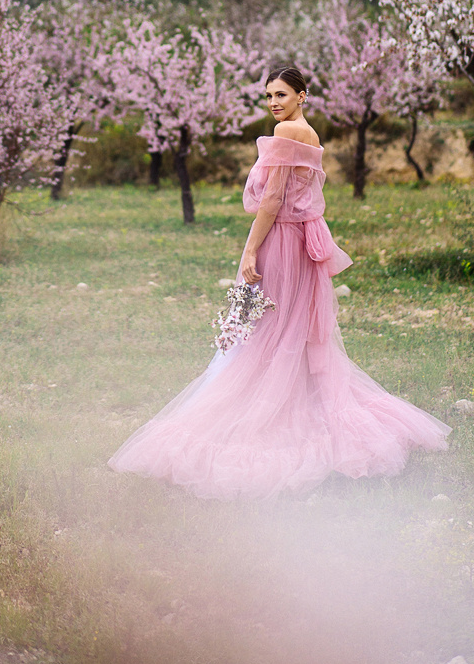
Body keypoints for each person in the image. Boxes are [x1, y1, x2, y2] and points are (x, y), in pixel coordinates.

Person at [108, 64, 450, 499]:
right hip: (299, 246)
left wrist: (250, 250)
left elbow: (272, 199)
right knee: (287, 332)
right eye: (268, 95)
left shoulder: (287, 134)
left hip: (282, 244)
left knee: (261, 332)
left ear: (302, 95)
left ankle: (257, 416)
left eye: (282, 95)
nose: (273, 102)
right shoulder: (308, 134)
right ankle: (301, 409)